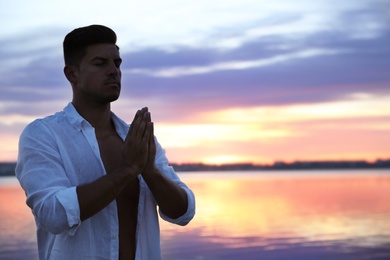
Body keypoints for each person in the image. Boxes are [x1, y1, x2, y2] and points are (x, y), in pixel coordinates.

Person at [15, 24, 196, 260]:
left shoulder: (137, 139)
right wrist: (127, 170)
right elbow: (54, 214)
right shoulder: (43, 135)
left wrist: (149, 171)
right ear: (72, 74)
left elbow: (183, 212)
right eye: (100, 64)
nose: (114, 71)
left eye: (117, 63)